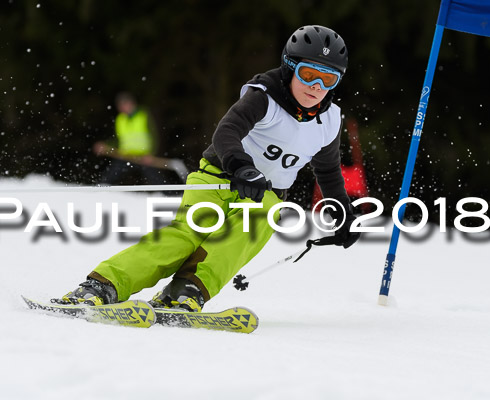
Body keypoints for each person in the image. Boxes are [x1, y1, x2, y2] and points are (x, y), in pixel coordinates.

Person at [55, 25, 361, 311]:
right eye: (309, 74)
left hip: (264, 194)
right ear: (289, 67)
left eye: (328, 79)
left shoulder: (329, 121)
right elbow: (227, 132)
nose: (317, 87)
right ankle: (102, 286)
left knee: (255, 224)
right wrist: (242, 167)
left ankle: (186, 291)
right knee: (188, 234)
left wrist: (341, 211)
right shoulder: (263, 97)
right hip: (217, 177)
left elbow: (328, 171)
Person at [94, 92, 163, 184]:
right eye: (120, 105)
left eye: (125, 104)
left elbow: (154, 136)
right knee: (109, 177)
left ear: (132, 103)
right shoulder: (120, 119)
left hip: (143, 157)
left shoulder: (143, 115)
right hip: (125, 156)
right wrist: (106, 146)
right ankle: (99, 192)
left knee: (157, 180)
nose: (123, 108)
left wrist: (151, 154)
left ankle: (170, 196)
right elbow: (118, 140)